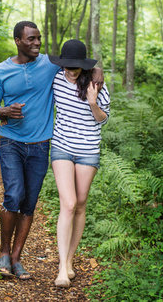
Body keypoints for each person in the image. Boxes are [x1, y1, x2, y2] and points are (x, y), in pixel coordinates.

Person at [0, 22, 103, 280]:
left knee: (29, 202)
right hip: (11, 142)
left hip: (41, 145)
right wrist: (2, 112)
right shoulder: (1, 70)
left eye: (38, 38)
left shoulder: (50, 65)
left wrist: (97, 72)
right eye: (31, 39)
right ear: (18, 41)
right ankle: (4, 253)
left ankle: (17, 259)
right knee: (14, 194)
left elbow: (79, 64)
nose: (37, 43)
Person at [48, 39, 110, 288]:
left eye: (75, 68)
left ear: (83, 67)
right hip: (62, 146)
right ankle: (62, 267)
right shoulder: (55, 79)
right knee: (69, 203)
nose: (70, 71)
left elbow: (102, 120)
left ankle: (70, 260)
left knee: (81, 205)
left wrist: (93, 100)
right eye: (67, 67)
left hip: (88, 151)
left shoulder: (96, 84)